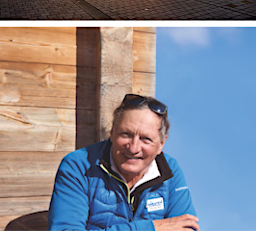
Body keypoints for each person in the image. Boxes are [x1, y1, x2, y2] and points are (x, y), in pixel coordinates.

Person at [48, 94, 198, 231]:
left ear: (161, 144)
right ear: (112, 133)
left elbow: (187, 227)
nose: (133, 148)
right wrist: (150, 228)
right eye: (126, 134)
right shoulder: (78, 165)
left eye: (146, 139)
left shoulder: (169, 170)